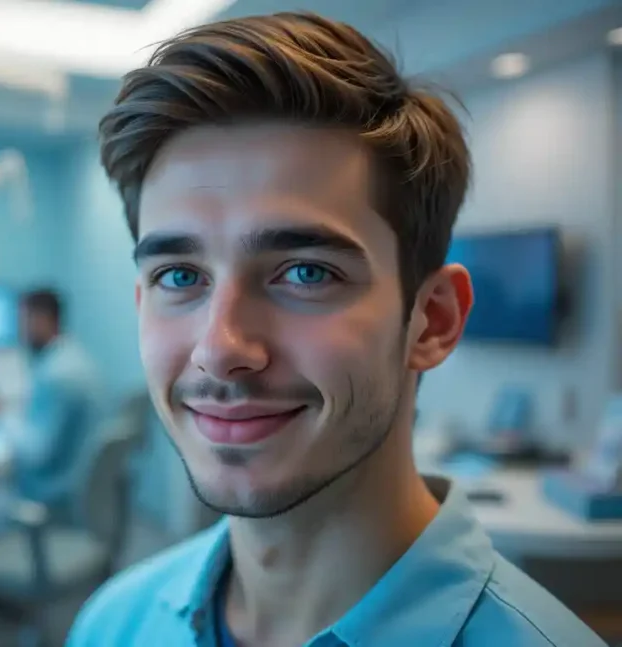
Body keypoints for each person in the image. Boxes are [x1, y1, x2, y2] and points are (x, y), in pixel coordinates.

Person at [67, 11, 605, 647]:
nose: (219, 351)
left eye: (304, 273)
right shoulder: (112, 624)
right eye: (180, 278)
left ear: (433, 319)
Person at [0, 288, 102, 563]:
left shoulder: (57, 375)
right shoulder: (72, 359)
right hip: (69, 490)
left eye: (23, 321)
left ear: (42, 319)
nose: (21, 331)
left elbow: (35, 454)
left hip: (47, 502)